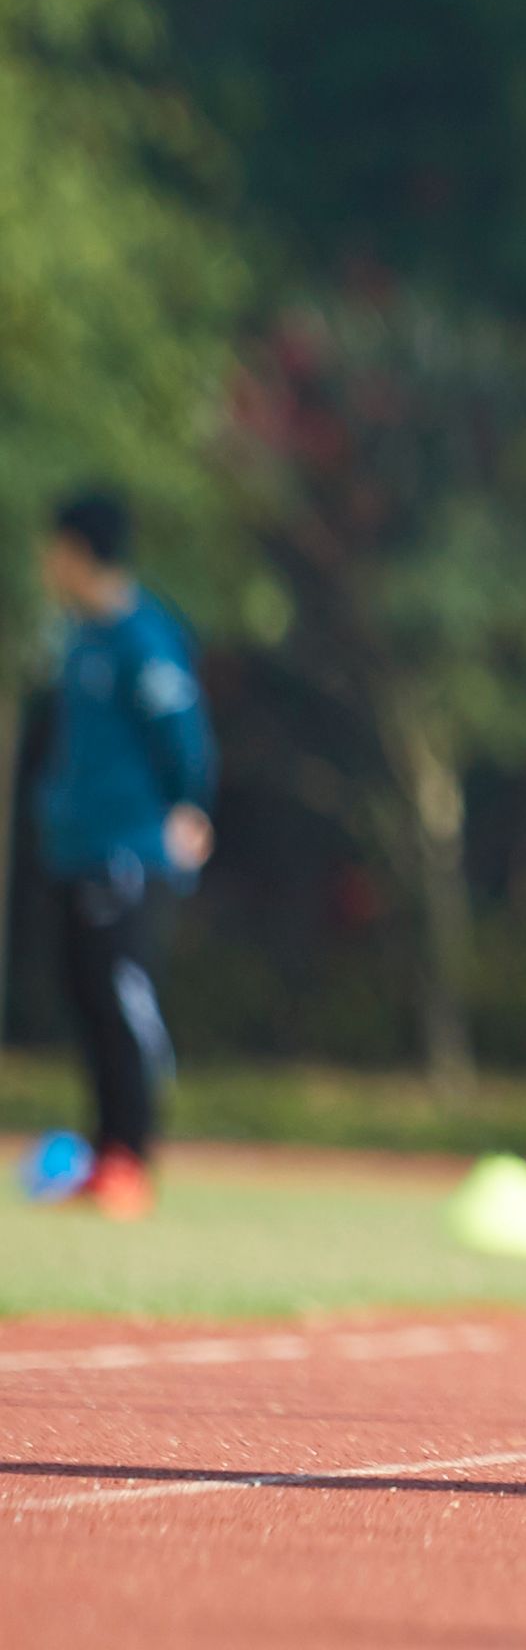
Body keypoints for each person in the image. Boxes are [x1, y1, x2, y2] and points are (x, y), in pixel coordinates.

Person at [27, 490, 212, 1220]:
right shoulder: (80, 640)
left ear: (78, 552)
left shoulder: (143, 638)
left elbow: (184, 739)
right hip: (76, 851)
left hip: (129, 852)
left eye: (53, 549)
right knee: (83, 996)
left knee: (119, 999)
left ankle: (133, 1155)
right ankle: (105, 1153)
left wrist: (187, 806)